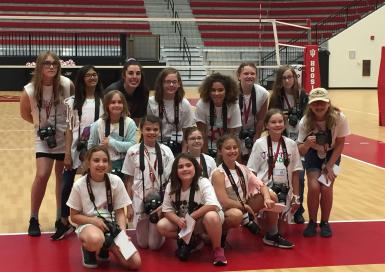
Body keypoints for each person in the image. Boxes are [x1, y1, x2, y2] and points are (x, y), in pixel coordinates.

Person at [19, 51, 74, 237]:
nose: (51, 66)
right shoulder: (30, 90)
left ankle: (60, 218)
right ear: (40, 66)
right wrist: (38, 125)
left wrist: (69, 145)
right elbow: (24, 113)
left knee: (62, 178)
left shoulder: (67, 85)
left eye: (55, 63)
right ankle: (33, 218)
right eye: (47, 63)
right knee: (42, 174)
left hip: (64, 137)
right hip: (43, 139)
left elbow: (73, 112)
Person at [211, 134, 295, 249]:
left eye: (235, 147)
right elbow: (224, 202)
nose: (232, 151)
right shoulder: (218, 173)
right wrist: (245, 207)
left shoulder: (242, 168)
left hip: (243, 206)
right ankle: (221, 235)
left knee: (272, 196)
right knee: (236, 215)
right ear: (220, 151)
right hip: (226, 210)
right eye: (228, 148)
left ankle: (272, 234)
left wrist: (266, 198)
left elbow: (262, 186)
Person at [51, 65, 105, 240]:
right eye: (88, 75)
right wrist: (67, 153)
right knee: (66, 185)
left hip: (95, 150)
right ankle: (64, 220)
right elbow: (68, 129)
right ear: (81, 79)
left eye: (94, 75)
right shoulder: (72, 102)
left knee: (96, 185)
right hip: (75, 151)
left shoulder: (104, 100)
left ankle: (97, 219)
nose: (92, 78)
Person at [67, 145, 141, 269]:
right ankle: (89, 249)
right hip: (89, 225)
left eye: (105, 161)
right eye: (96, 160)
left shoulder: (116, 181)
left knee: (135, 263)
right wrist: (93, 221)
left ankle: (107, 245)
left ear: (109, 163)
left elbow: (120, 212)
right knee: (95, 239)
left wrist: (122, 233)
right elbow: (73, 217)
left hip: (111, 228)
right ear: (88, 163)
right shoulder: (79, 185)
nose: (101, 164)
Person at [157, 153, 227, 266]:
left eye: (188, 165)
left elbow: (212, 205)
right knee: (162, 226)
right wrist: (177, 220)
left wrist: (191, 217)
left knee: (211, 216)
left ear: (195, 167)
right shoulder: (171, 185)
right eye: (180, 167)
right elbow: (166, 209)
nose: (185, 169)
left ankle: (217, 250)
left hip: (203, 219)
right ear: (175, 170)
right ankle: (193, 239)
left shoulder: (203, 182)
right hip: (185, 221)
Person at [297, 88, 349, 238]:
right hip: (313, 152)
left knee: (326, 187)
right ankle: (312, 222)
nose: (319, 106)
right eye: (315, 104)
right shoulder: (305, 121)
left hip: (333, 154)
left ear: (328, 103)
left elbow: (340, 144)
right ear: (310, 105)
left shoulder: (339, 118)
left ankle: (325, 222)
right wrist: (307, 144)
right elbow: (300, 149)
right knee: (313, 187)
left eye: (322, 103)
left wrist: (330, 165)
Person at [121, 115, 174, 250]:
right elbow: (129, 180)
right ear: (141, 130)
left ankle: (161, 232)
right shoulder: (132, 151)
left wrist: (167, 204)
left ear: (160, 131)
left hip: (160, 200)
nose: (151, 132)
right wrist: (129, 206)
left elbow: (172, 180)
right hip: (139, 199)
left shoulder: (166, 151)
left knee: (154, 246)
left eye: (155, 129)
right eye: (148, 129)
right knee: (143, 244)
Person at [247, 109, 302, 235]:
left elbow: (295, 172)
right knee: (267, 232)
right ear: (266, 125)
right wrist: (254, 194)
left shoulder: (291, 144)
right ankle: (257, 218)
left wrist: (296, 197)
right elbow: (252, 172)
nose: (277, 125)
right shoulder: (259, 144)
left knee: (281, 232)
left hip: (284, 191)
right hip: (265, 190)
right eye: (273, 122)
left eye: (280, 121)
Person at [269, 65, 309, 224]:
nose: (287, 80)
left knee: (299, 177)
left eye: (290, 77)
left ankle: (298, 209)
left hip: (300, 141)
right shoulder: (276, 97)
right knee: (281, 175)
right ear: (280, 80)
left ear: (295, 78)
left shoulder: (303, 95)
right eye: (284, 78)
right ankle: (279, 208)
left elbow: (309, 116)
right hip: (283, 140)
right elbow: (272, 117)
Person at [88, 90, 137, 182]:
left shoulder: (130, 123)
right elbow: (90, 147)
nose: (117, 105)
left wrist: (111, 142)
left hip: (124, 167)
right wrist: (99, 149)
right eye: (113, 102)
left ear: (124, 105)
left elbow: (132, 146)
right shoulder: (98, 124)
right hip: (102, 167)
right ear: (107, 105)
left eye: (119, 102)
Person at [147, 67, 195, 155]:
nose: (171, 85)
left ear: (179, 84)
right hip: (156, 145)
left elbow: (187, 134)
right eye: (167, 82)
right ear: (161, 83)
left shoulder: (185, 104)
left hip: (178, 147)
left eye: (174, 82)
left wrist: (183, 155)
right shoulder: (151, 102)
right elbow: (147, 130)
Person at [195, 73, 241, 158]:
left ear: (227, 91)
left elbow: (231, 134)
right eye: (213, 90)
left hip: (226, 145)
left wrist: (224, 154)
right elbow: (202, 133)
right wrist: (206, 157)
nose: (216, 93)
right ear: (208, 91)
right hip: (207, 144)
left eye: (220, 90)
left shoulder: (233, 105)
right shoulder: (201, 104)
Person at [236, 62, 269, 162]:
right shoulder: (231, 92)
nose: (249, 76)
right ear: (239, 76)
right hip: (235, 131)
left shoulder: (263, 93)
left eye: (252, 73)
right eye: (246, 74)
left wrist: (256, 139)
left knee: (252, 161)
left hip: (252, 132)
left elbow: (261, 119)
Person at [104, 58, 149, 126]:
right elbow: (105, 116)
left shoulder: (144, 91)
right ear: (123, 75)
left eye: (138, 73)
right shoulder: (112, 90)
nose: (134, 77)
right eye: (130, 73)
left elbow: (138, 118)